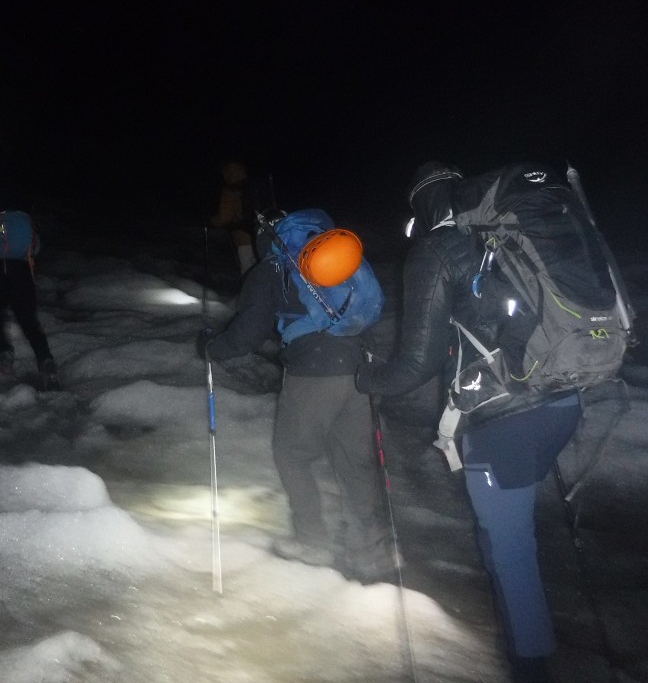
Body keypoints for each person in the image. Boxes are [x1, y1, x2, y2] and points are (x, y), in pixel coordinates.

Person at [355, 162, 582, 683]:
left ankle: (530, 667)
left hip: (505, 421)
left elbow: (417, 364)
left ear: (421, 206)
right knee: (504, 531)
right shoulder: (505, 234)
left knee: (511, 546)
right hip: (563, 400)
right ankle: (516, 624)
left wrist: (369, 381)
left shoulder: (436, 251)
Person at [201, 209, 395, 582]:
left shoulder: (273, 268)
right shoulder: (336, 262)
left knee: (291, 454)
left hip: (313, 373)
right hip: (360, 370)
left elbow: (246, 335)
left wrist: (212, 348)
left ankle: (312, 541)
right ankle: (376, 549)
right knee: (354, 462)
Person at [0, 209, 60, 391]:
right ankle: (45, 358)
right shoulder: (26, 223)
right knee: (28, 318)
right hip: (21, 271)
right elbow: (35, 249)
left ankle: (5, 355)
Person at [209, 161, 257, 274]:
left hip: (244, 237)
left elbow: (225, 217)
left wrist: (212, 221)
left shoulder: (231, 190)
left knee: (248, 270)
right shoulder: (254, 186)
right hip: (265, 235)